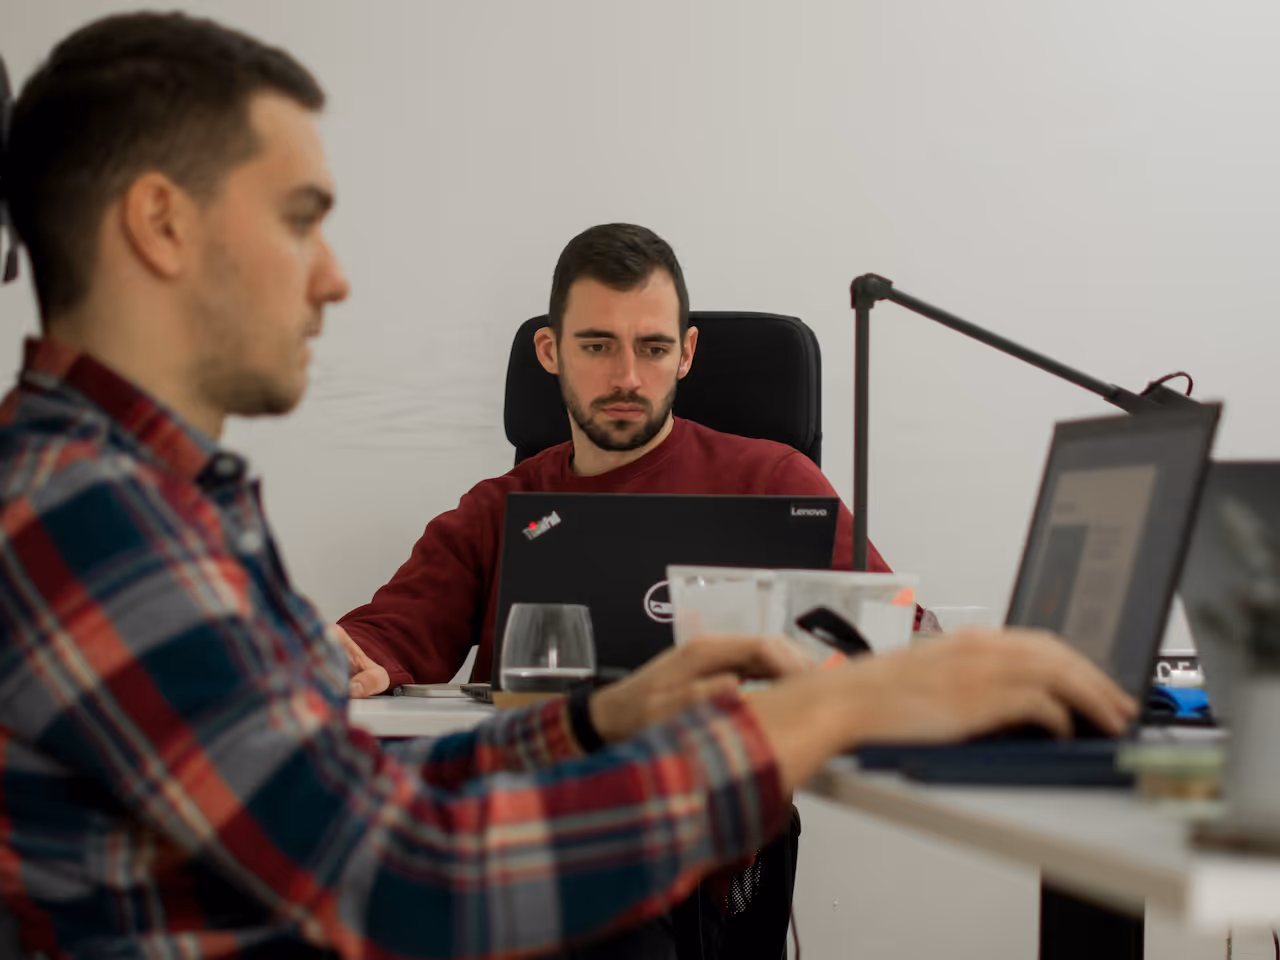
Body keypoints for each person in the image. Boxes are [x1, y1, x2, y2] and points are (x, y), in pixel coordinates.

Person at [0, 12, 1136, 959]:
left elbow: (348, 795)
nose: (336, 275)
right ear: (159, 223)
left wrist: (600, 717)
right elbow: (402, 873)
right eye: (301, 219)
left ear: (685, 353)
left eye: (651, 346)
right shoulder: (90, 517)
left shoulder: (157, 505)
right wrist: (819, 709)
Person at [338, 222, 902, 694]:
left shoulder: (774, 481)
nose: (627, 377)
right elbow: (386, 637)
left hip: (710, 807)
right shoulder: (497, 510)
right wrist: (343, 658)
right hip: (534, 803)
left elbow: (890, 637)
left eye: (653, 348)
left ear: (686, 354)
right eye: (597, 346)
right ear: (550, 351)